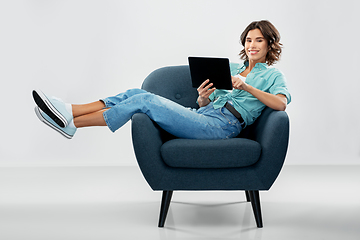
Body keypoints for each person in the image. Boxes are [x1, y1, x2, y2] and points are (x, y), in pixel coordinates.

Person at [32, 20, 291, 140]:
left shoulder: (272, 75)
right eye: (248, 40)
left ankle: (71, 121)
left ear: (269, 44)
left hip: (223, 127)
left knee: (146, 101)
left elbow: (280, 105)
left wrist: (246, 86)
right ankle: (69, 112)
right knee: (135, 91)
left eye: (258, 40)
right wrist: (202, 98)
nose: (252, 45)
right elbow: (204, 105)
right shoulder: (232, 67)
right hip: (204, 115)